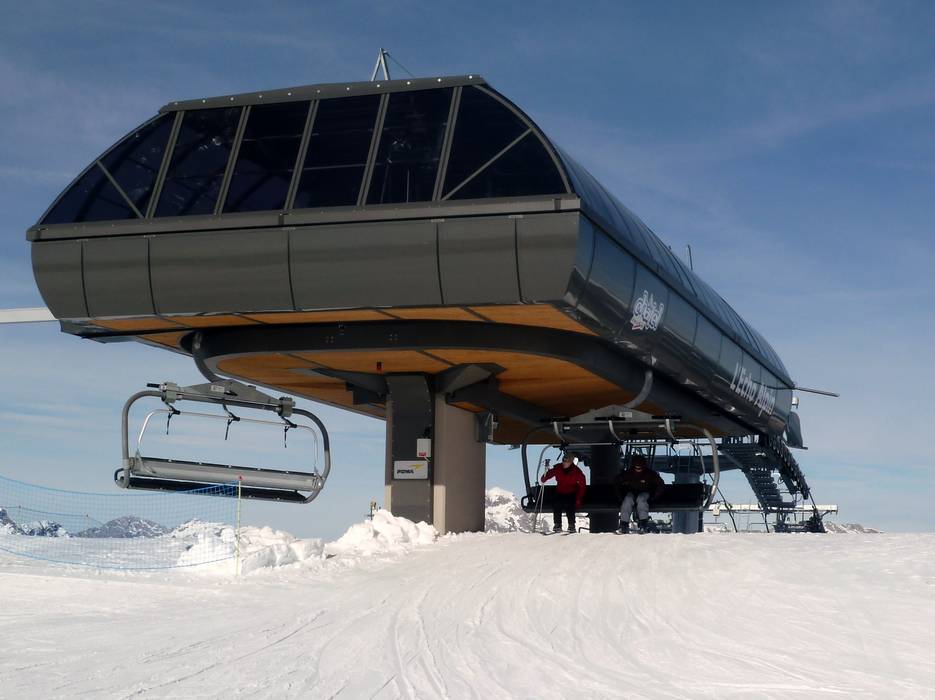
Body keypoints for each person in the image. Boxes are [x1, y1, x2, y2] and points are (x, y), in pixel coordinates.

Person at [615, 454, 665, 533]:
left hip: (645, 492)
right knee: (627, 500)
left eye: (640, 468)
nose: (638, 469)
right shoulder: (628, 474)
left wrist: (654, 496)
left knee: (642, 500)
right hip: (631, 492)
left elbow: (660, 484)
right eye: (636, 468)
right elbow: (617, 482)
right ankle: (623, 525)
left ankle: (643, 525)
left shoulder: (650, 474)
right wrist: (620, 496)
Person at [540, 452, 587, 532]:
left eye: (566, 461)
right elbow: (547, 476)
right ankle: (557, 524)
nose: (564, 463)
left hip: (571, 493)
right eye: (563, 460)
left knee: (570, 505)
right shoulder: (558, 468)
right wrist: (545, 477)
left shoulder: (577, 472)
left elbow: (582, 486)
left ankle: (571, 525)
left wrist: (578, 499)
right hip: (560, 492)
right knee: (557, 504)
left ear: (571, 462)